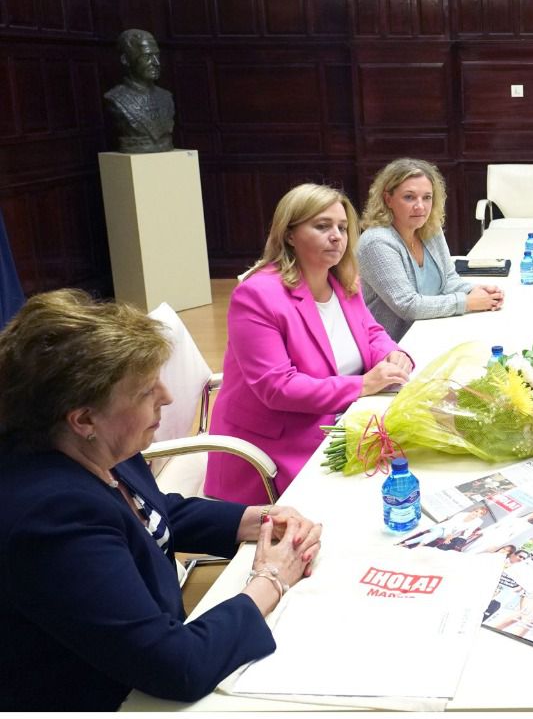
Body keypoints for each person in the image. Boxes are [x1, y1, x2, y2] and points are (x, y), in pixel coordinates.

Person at [0, 290, 322, 710]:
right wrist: (271, 580)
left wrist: (255, 519)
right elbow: (177, 665)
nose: (167, 397)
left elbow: (150, 510)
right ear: (83, 419)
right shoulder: (52, 519)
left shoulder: (101, 447)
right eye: (145, 391)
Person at [205, 184, 412, 505]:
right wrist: (363, 385)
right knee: (388, 488)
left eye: (342, 227)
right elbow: (278, 387)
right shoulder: (257, 295)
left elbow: (371, 332)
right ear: (289, 234)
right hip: (277, 446)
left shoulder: (342, 281)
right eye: (322, 226)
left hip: (339, 420)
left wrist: (392, 354)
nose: (337, 237)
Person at [357, 158, 504, 341]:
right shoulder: (376, 242)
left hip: (431, 329)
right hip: (392, 345)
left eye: (427, 197)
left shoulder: (430, 229)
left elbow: (448, 279)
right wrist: (467, 302)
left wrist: (476, 291)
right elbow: (408, 306)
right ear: (388, 199)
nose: (420, 206)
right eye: (409, 197)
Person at [103, 29, 174, 153]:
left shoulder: (166, 96)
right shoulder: (116, 98)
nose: (156, 63)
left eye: (157, 56)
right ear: (126, 60)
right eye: (147, 57)